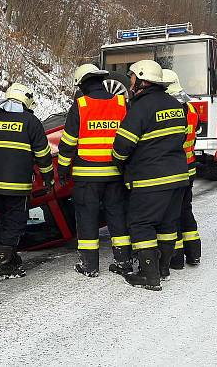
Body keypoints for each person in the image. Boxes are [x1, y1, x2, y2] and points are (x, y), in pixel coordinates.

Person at [111, 60, 189, 291]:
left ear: (143, 80)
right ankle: (163, 269)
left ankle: (148, 274)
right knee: (168, 224)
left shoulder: (140, 108)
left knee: (141, 224)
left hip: (149, 179)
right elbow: (180, 137)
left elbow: (122, 145)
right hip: (177, 177)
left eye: (133, 77)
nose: (130, 82)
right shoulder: (175, 105)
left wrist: (118, 162)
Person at [0, 83, 54, 280]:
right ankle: (2, 264)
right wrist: (48, 178)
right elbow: (43, 155)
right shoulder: (30, 122)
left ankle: (9, 257)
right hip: (18, 186)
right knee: (15, 222)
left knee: (2, 219)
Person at [57, 64, 130, 277]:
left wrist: (62, 169)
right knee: (117, 217)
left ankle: (90, 266)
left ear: (83, 85)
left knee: (87, 218)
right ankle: (123, 262)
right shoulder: (121, 102)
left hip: (86, 176)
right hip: (115, 174)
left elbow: (68, 142)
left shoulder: (80, 105)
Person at [161, 69, 201, 270]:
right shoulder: (191, 110)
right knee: (186, 210)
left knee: (172, 214)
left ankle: (176, 258)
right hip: (189, 167)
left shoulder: (170, 112)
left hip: (174, 169)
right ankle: (194, 253)